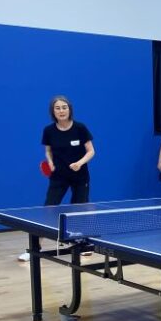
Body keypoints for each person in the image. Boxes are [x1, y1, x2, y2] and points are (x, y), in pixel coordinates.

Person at [17, 95, 95, 261]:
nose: (61, 111)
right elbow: (48, 151)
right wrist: (50, 162)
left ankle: (80, 243)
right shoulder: (49, 130)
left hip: (80, 176)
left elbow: (91, 151)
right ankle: (34, 248)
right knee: (48, 209)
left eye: (64, 107)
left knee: (79, 210)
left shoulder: (80, 128)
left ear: (69, 109)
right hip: (59, 176)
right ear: (53, 111)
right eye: (57, 108)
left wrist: (80, 163)